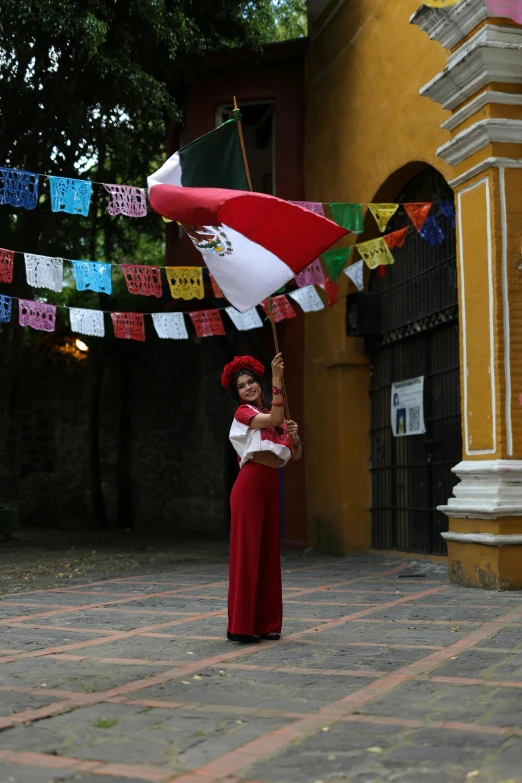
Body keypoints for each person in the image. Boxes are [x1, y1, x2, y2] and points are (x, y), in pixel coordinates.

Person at [220, 353, 302, 644]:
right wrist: (278, 378)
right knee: (247, 553)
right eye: (241, 386)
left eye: (251, 381)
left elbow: (295, 454)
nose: (248, 388)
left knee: (268, 554)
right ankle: (240, 626)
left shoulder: (272, 417)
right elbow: (276, 417)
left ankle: (266, 623)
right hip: (250, 484)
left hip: (271, 484)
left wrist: (294, 437)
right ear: (238, 394)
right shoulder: (243, 413)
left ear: (257, 383)